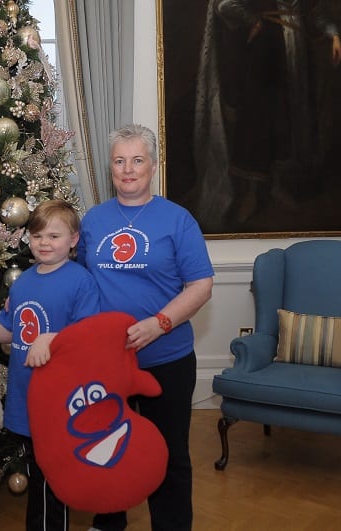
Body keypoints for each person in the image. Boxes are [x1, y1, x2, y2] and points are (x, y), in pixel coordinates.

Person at [76, 124, 214, 531]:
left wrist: (160, 323)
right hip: (107, 362)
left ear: (153, 166)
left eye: (137, 160)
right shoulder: (94, 220)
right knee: (107, 447)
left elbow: (201, 285)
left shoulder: (178, 220)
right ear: (111, 168)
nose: (128, 169)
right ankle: (108, 521)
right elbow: (77, 280)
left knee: (169, 455)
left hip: (166, 358)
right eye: (119, 161)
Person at [0, 199, 101, 531]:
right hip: (26, 398)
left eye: (54, 236)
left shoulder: (81, 281)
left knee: (52, 479)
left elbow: (88, 337)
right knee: (37, 474)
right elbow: (10, 329)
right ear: (28, 238)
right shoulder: (22, 282)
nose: (45, 243)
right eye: (38, 236)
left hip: (60, 399)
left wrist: (52, 339)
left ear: (73, 240)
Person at [193, 0, 341, 229]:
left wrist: (333, 35)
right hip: (268, 52)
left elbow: (315, 11)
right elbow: (225, 5)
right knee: (259, 123)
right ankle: (252, 195)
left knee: (289, 118)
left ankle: (278, 185)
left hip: (299, 50)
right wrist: (253, 21)